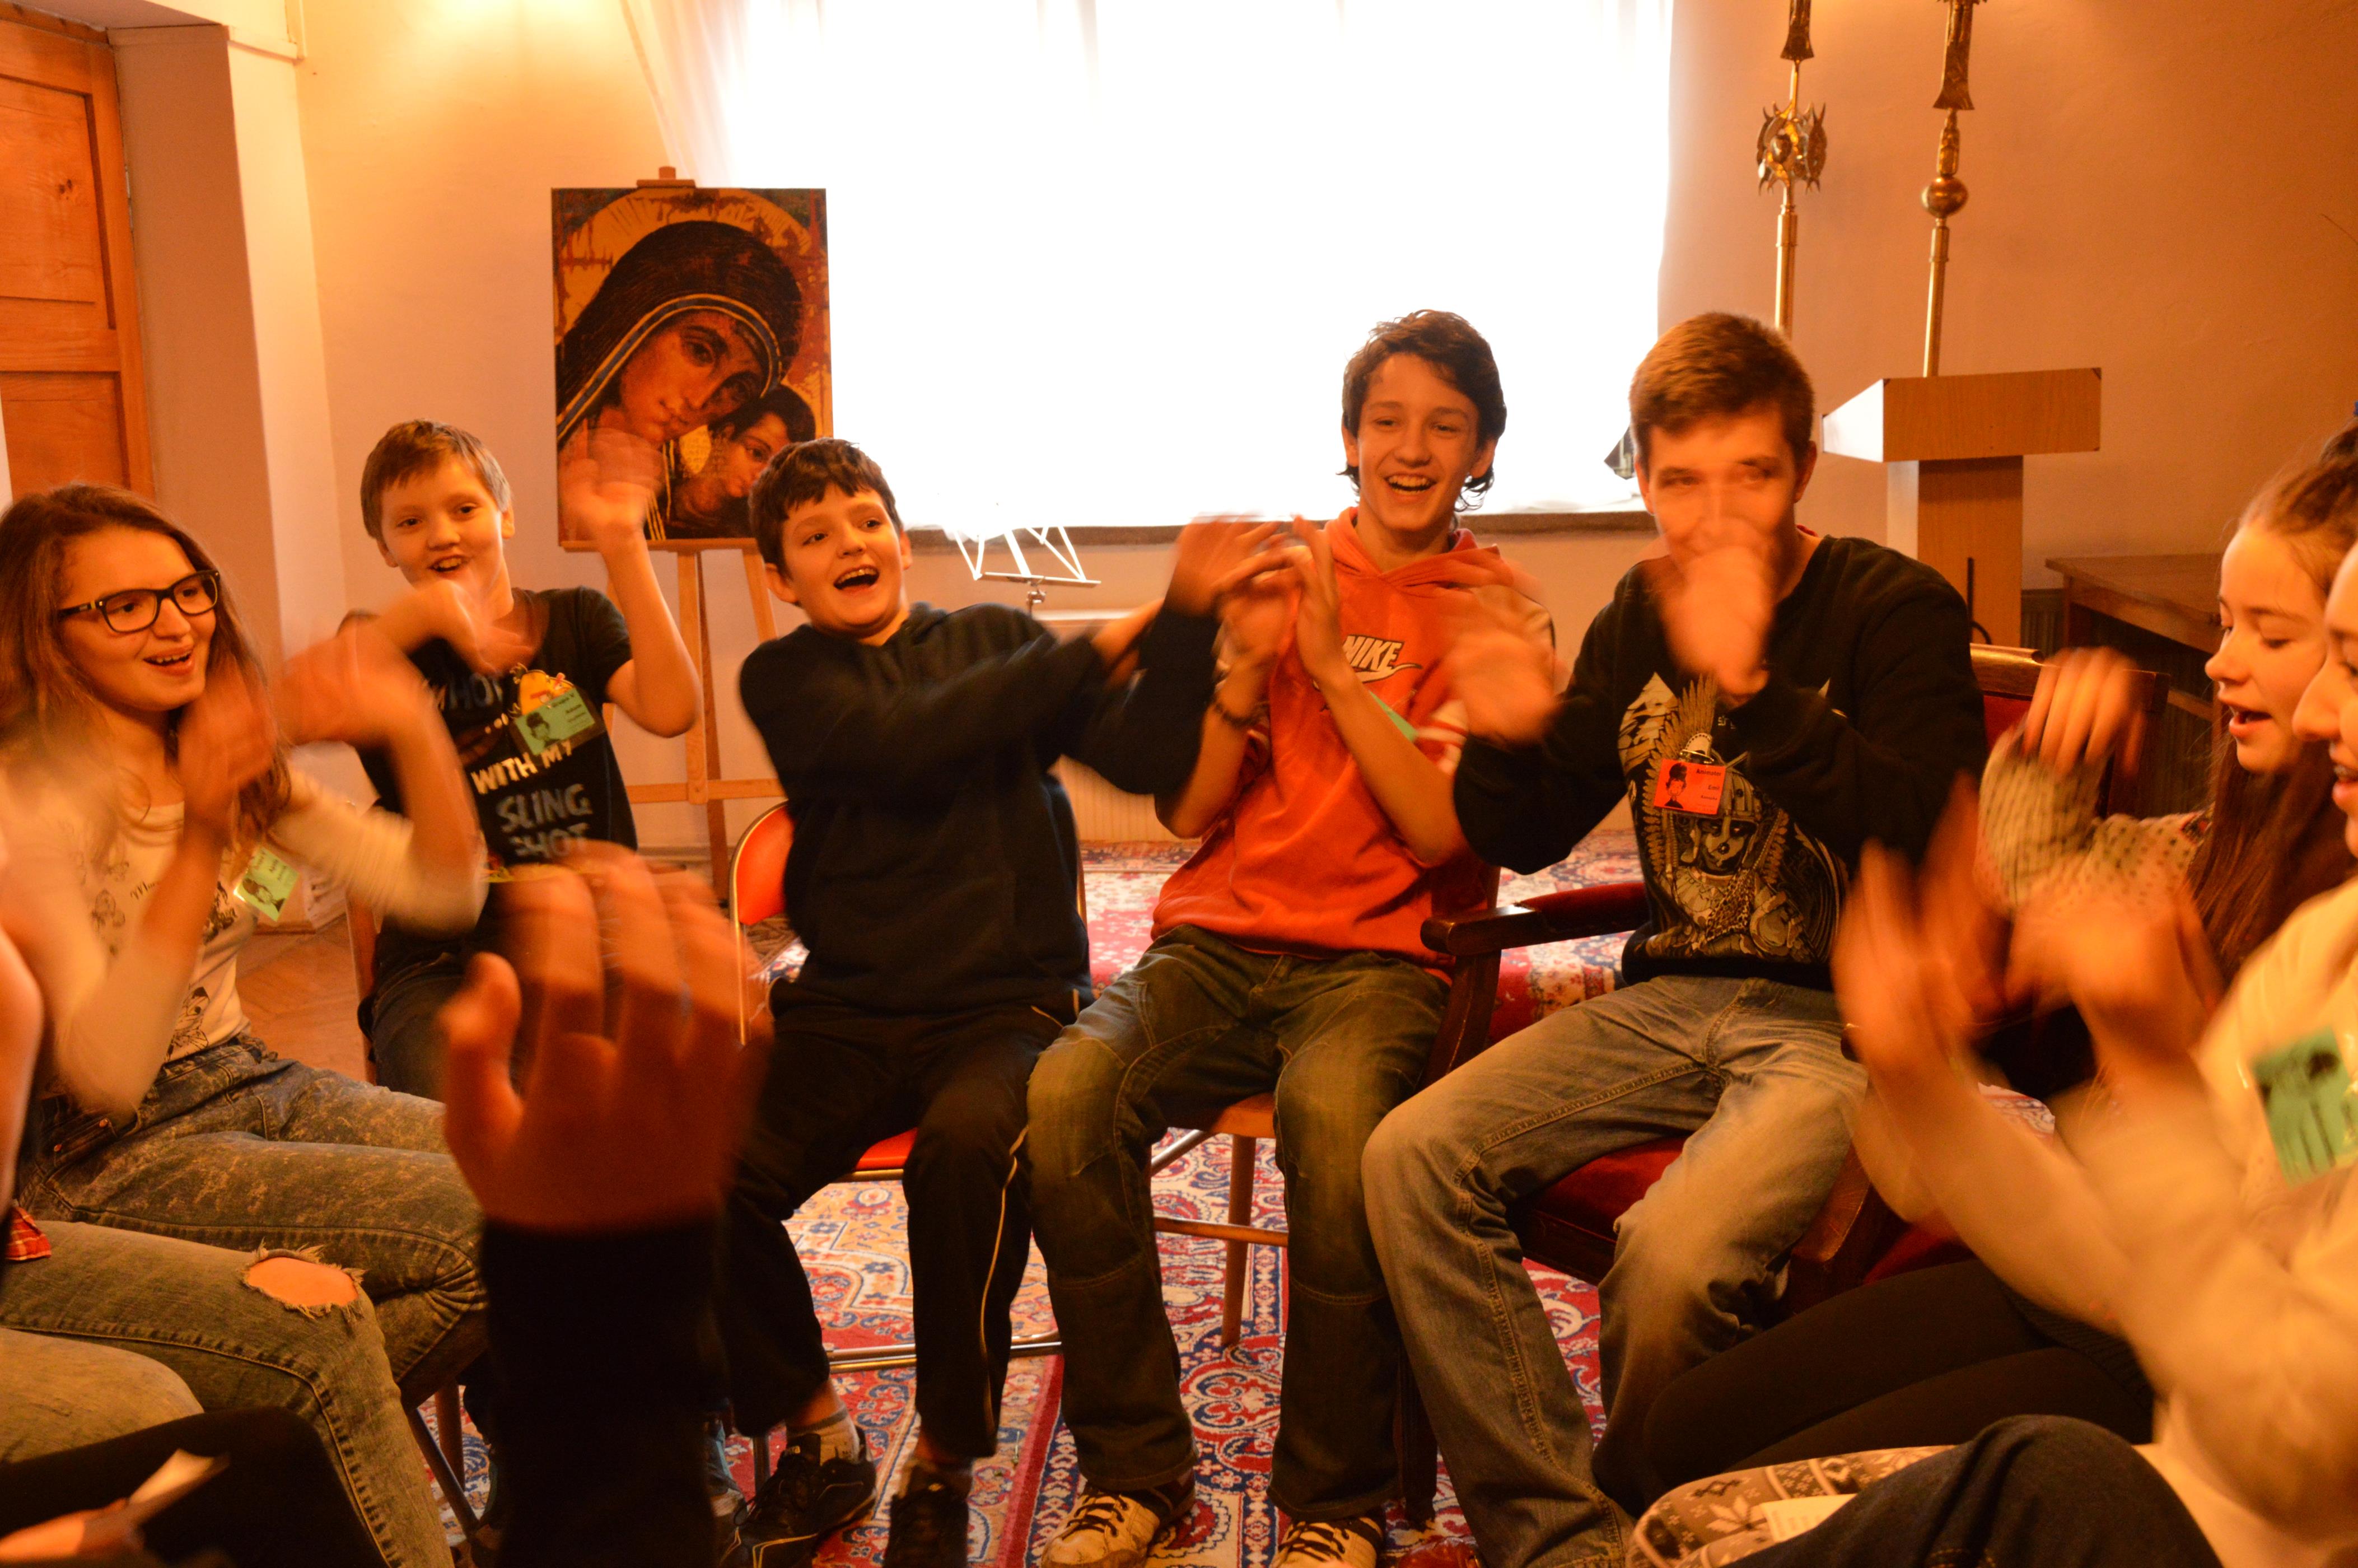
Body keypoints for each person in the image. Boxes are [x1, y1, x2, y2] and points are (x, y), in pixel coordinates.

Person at [1360, 312, 1988, 1568]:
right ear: (1640, 477)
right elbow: (1528, 830)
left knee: (1672, 1259)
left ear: (1801, 468)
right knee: (1407, 1158)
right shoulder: (1639, 614)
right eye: (1681, 481)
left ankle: (1670, 1522)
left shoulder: (1892, 609)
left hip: (1838, 1022)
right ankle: (1566, 1539)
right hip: (1667, 998)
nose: (1713, 518)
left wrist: (1752, 690)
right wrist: (1503, 732)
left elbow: (1924, 827)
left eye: (1749, 475)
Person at [1638, 440, 2358, 1491]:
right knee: (1676, 1434)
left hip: (2177, 1348)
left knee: (1740, 1497)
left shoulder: (2324, 969)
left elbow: (2285, 1204)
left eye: (2279, 635)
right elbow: (2041, 888)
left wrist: (2156, 1064)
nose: (2219, 662)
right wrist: (2047, 762)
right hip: (2100, 1272)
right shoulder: (2229, 851)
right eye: (2221, 624)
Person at [1029, 310, 1538, 1568]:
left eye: (1444, 426)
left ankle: (1333, 1498)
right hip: (1219, 940)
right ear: (1347, 438)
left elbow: (1437, 831)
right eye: (1385, 421)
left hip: (1382, 961)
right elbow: (1189, 812)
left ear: (1481, 451)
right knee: (1067, 1091)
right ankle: (1134, 1469)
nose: (1409, 448)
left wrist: (1335, 673)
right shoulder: (1282, 566)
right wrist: (1243, 680)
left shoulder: (1494, 610)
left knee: (1338, 1128)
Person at [721, 438, 1251, 1568]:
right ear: (781, 576)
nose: (849, 543)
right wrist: (1109, 636)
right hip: (849, 1011)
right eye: (814, 535)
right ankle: (820, 1434)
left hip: (1006, 1009)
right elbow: (909, 743)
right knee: (705, 1176)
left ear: (899, 539)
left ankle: (942, 1460)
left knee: (965, 1154)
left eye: (866, 520)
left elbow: (1147, 758)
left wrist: (1186, 627)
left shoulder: (997, 639)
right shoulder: (785, 681)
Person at [0, 483, 497, 1567]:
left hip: (249, 1078)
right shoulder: (28, 801)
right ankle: (289, 1465)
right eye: (124, 607)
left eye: (188, 592)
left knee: (531, 1185)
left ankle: (274, 1463)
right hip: (105, 1152)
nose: (176, 624)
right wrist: (201, 834)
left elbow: (445, 893)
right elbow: (107, 1075)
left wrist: (409, 723)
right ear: (43, 635)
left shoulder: (215, 755)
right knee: (475, 1233)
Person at [354, 418, 698, 1099]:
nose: (442, 535)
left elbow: (670, 710)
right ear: (386, 547)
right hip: (442, 961)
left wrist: (623, 544)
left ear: (505, 516)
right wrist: (431, 615)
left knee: (673, 1084)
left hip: (597, 936)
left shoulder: (576, 619)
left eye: (464, 509)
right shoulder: (381, 650)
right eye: (411, 522)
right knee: (457, 1108)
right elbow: (338, 673)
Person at [555, 218, 805, 543]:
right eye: (700, 351)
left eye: (737, 389)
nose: (700, 402)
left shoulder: (672, 501)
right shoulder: (538, 435)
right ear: (636, 324)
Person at [668, 385, 819, 540]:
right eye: (757, 453)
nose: (762, 476)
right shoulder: (658, 495)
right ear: (724, 435)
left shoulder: (753, 535)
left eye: (777, 469)